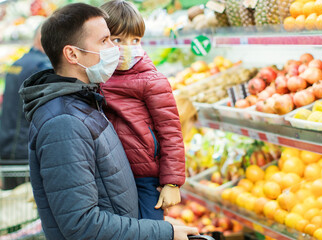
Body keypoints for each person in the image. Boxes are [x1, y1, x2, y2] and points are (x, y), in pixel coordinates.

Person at [19, 3, 197, 239]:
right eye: (106, 41)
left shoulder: (86, 98)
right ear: (72, 54)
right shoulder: (64, 122)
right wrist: (162, 232)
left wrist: (169, 183)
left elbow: (169, 131)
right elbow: (81, 225)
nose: (116, 49)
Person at [100, 0, 185, 220]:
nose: (127, 47)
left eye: (135, 40)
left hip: (145, 176)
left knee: (150, 229)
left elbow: (171, 132)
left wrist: (172, 181)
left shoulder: (152, 80)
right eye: (117, 39)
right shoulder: (96, 77)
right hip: (108, 173)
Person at [0, 24, 51, 190]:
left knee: (12, 206)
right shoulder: (42, 66)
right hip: (24, 149)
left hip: (8, 146)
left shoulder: (18, 63)